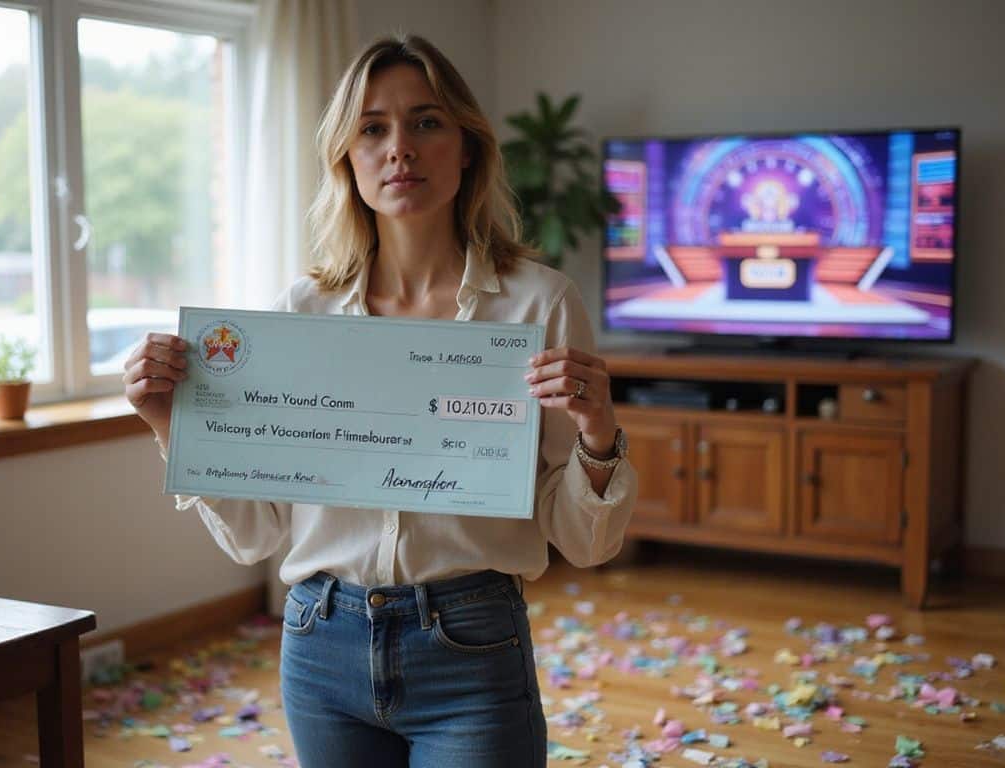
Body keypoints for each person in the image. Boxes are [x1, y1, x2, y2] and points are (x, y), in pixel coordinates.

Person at [123, 34, 637, 768]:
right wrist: (173, 427)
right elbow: (256, 533)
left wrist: (596, 433)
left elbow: (587, 542)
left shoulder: (540, 305)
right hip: (318, 646)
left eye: (426, 122)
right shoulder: (299, 311)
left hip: (471, 646)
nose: (401, 148)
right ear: (348, 158)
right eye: (373, 128)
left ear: (467, 148)